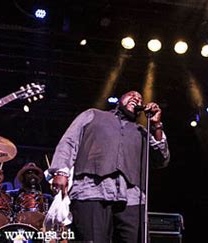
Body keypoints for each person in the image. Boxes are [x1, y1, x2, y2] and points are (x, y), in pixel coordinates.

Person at [49, 90, 170, 243]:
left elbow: (161, 160)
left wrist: (156, 126)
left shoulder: (142, 132)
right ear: (119, 100)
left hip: (131, 197)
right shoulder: (92, 115)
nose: (136, 98)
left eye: (140, 98)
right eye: (131, 95)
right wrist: (60, 171)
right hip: (91, 190)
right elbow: (69, 142)